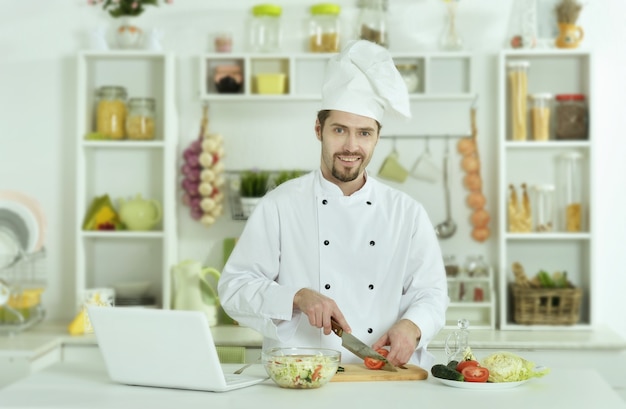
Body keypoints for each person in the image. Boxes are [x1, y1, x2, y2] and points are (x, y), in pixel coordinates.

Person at [218, 40, 448, 368]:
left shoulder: (407, 213)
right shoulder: (280, 206)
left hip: (387, 377)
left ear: (377, 138)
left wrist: (412, 327)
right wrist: (295, 297)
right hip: (301, 377)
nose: (351, 146)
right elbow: (234, 289)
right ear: (318, 129)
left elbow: (432, 293)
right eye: (339, 130)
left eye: (364, 133)